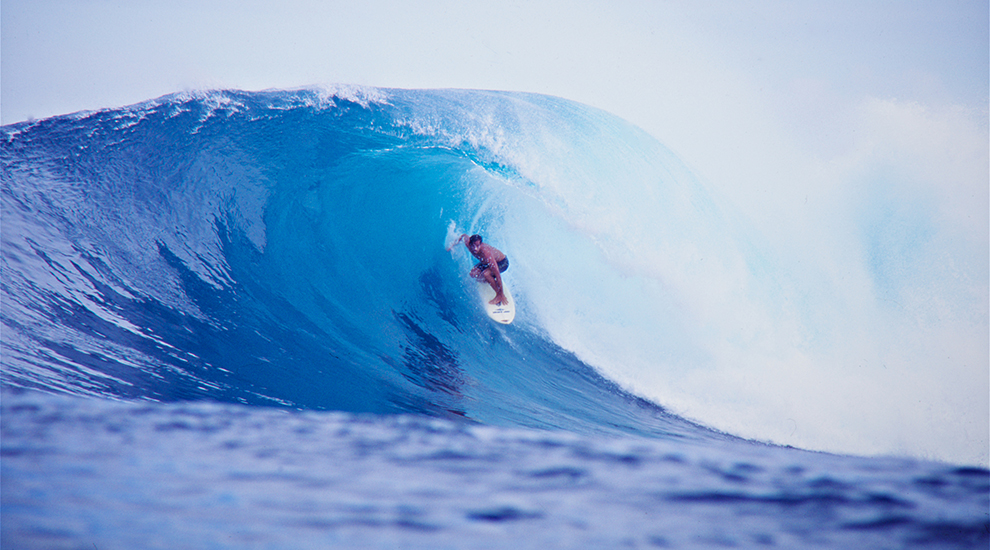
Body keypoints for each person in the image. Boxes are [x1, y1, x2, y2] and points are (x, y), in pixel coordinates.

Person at [447, 233, 509, 306]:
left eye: (478, 246)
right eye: (473, 245)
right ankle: (489, 279)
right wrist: (453, 245)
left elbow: (497, 274)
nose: (475, 248)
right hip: (486, 263)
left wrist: (501, 293)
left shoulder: (486, 253)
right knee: (473, 274)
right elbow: (463, 235)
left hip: (502, 263)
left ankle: (499, 296)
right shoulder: (467, 242)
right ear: (470, 243)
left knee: (486, 274)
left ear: (481, 244)